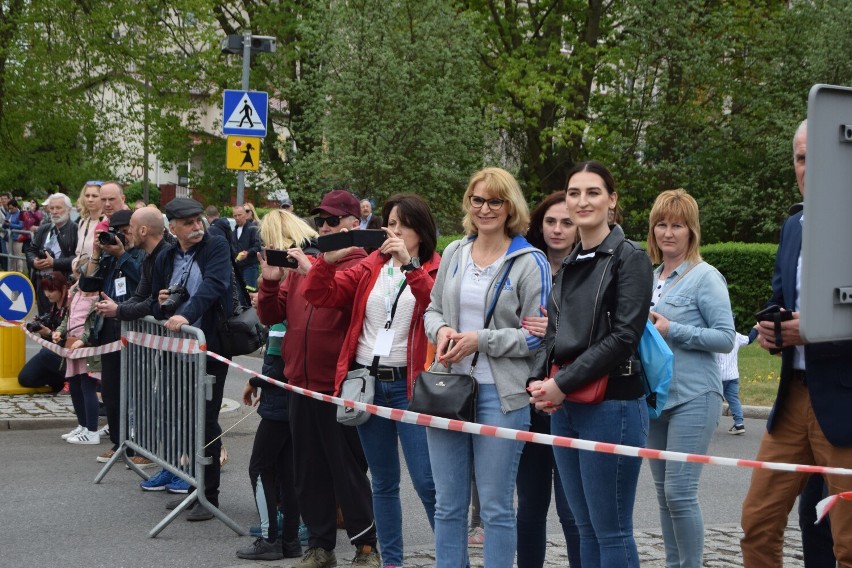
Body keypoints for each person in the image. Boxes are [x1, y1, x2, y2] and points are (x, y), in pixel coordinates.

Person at [303, 193, 440, 568]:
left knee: (427, 482)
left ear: (421, 231)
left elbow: (434, 304)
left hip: (409, 387)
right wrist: (325, 264)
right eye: (389, 224)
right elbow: (319, 294)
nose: (393, 231)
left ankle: (451, 559)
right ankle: (391, 561)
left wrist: (410, 265)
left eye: (402, 225)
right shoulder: (371, 264)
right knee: (382, 481)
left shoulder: (436, 268)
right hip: (366, 382)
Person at [424, 167, 550, 568]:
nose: (485, 209)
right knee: (448, 505)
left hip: (502, 394)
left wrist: (481, 340)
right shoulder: (457, 253)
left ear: (510, 206)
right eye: (477, 200)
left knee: (495, 507)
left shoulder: (531, 262)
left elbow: (539, 337)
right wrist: (443, 329)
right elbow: (432, 310)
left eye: (495, 201)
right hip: (448, 390)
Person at [528, 161, 652, 566]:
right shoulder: (570, 260)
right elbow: (554, 334)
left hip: (612, 403)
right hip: (567, 405)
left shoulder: (629, 257)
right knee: (584, 529)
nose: (582, 201)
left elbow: (624, 338)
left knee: (611, 531)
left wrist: (561, 385)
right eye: (574, 193)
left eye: (593, 192)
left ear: (611, 201)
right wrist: (539, 382)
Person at [740, 119, 851, 567]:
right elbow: (779, 298)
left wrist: (818, 329)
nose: (808, 168)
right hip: (791, 399)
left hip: (844, 402)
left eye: (817, 158)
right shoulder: (794, 225)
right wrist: (771, 328)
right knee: (757, 524)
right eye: (801, 159)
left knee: (848, 543)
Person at [257, 189, 380, 568]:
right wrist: (271, 281)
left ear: (353, 224)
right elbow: (272, 315)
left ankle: (366, 547)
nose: (323, 227)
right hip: (300, 383)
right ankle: (321, 545)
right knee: (308, 471)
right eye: (320, 220)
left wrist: (314, 269)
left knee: (347, 472)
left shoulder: (364, 265)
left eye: (332, 220)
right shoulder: (307, 266)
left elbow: (341, 301)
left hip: (339, 387)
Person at [645, 188, 735, 568]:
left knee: (681, 492)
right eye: (661, 225)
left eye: (677, 226)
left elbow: (726, 338)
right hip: (654, 398)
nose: (668, 233)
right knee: (665, 495)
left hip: (694, 397)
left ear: (691, 231)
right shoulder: (649, 278)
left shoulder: (705, 277)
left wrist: (674, 329)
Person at [143, 198, 234, 522]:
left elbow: (214, 286)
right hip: (177, 350)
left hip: (210, 346)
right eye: (189, 222)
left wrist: (185, 314)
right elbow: (155, 302)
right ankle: (191, 485)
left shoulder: (216, 246)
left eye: (199, 220)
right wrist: (164, 302)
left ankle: (209, 495)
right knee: (181, 417)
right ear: (173, 227)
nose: (197, 226)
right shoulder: (167, 254)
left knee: (205, 420)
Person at [234, 209, 316, 562]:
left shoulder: (294, 281)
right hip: (289, 387)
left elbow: (279, 345)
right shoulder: (300, 276)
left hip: (283, 390)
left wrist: (262, 379)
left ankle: (270, 538)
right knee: (285, 467)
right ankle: (289, 541)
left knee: (261, 466)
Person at [517, 190, 581, 568]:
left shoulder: (591, 267)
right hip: (527, 397)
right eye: (551, 221)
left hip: (572, 396)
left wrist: (555, 327)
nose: (557, 230)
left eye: (567, 222)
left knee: (572, 510)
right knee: (530, 505)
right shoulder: (524, 264)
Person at [86, 208, 146, 466]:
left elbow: (142, 279)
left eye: (124, 231)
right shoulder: (110, 256)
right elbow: (88, 284)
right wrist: (97, 254)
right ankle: (119, 441)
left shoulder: (140, 254)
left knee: (138, 392)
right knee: (111, 390)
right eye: (117, 232)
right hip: (109, 330)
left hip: (135, 331)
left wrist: (122, 254)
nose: (120, 237)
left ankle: (142, 444)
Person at [54, 275, 103, 444]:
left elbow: (95, 323)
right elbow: (68, 318)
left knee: (87, 385)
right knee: (75, 385)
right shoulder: (75, 291)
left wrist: (83, 339)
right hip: (72, 345)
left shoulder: (98, 295)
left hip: (86, 347)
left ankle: (92, 430)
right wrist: (60, 331)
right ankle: (82, 425)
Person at [18, 271, 70, 393]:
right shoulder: (53, 305)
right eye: (45, 290)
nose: (47, 294)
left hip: (69, 353)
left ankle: (73, 379)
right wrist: (41, 328)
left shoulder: (70, 305)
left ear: (63, 288)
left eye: (51, 291)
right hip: (54, 352)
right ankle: (59, 381)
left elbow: (71, 338)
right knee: (25, 379)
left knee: (45, 354)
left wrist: (49, 333)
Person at [26, 193, 78, 315]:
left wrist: (54, 263)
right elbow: (31, 250)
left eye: (58, 208)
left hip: (63, 284)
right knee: (43, 322)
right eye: (52, 208)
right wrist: (34, 261)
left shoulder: (76, 230)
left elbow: (79, 259)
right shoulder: (44, 229)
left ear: (69, 210)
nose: (54, 211)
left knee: (61, 325)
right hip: (42, 283)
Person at [716, 328, 755, 435]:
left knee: (714, 400)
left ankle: (710, 424)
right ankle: (739, 424)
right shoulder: (736, 335)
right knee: (734, 399)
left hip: (718, 375)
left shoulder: (715, 335)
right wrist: (756, 329)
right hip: (733, 375)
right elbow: (749, 339)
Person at [71, 181, 104, 277]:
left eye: (94, 196)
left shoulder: (106, 222)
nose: (90, 199)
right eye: (87, 195)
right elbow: (78, 252)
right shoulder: (82, 222)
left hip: (97, 276)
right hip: (80, 276)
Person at [233, 204, 262, 289]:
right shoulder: (234, 232)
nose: (237, 218)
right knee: (239, 295)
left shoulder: (253, 228)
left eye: (239, 215)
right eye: (235, 216)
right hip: (238, 267)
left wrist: (248, 253)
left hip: (250, 266)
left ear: (245, 215)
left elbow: (257, 246)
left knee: (249, 294)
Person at [2, 199, 24, 272]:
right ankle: (11, 271)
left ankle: (19, 272)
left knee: (17, 257)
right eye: (9, 208)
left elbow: (21, 226)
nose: (10, 210)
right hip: (8, 237)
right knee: (10, 256)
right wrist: (4, 224)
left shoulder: (21, 214)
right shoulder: (8, 213)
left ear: (15, 207)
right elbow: (5, 223)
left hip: (17, 238)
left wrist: (10, 224)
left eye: (12, 208)